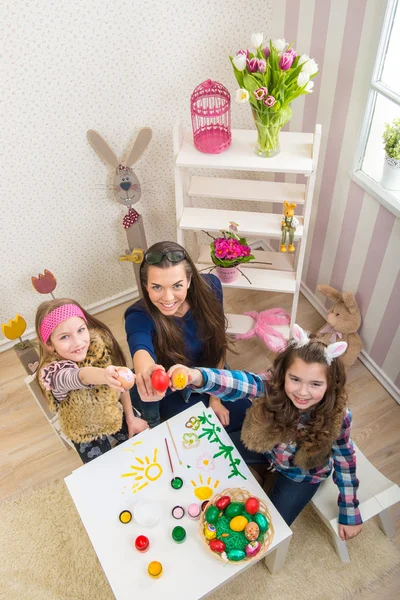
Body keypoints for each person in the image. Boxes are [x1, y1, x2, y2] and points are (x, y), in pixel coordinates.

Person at [167, 324, 363, 541]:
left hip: (302, 473)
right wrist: (197, 376)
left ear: (330, 385)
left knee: (269, 529)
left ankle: (265, 477)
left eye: (315, 384)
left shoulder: (339, 417)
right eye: (295, 379)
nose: (302, 392)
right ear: (283, 374)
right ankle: (262, 471)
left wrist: (349, 509)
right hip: (266, 450)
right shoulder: (272, 387)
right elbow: (239, 382)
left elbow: (345, 462)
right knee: (206, 456)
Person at [124, 240, 251, 431]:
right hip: (172, 391)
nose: (168, 298)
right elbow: (140, 351)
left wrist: (215, 399)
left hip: (210, 374)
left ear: (189, 281)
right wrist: (148, 375)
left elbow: (218, 345)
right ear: (146, 285)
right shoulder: (137, 316)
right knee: (191, 439)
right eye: (157, 287)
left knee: (247, 420)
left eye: (177, 286)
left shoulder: (212, 288)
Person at [36, 298, 148, 463]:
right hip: (85, 431)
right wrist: (105, 375)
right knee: (103, 471)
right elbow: (79, 375)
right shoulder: (54, 374)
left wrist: (131, 417)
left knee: (146, 446)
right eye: (64, 337)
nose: (78, 342)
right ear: (49, 344)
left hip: (113, 411)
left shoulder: (97, 347)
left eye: (81, 330)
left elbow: (120, 388)